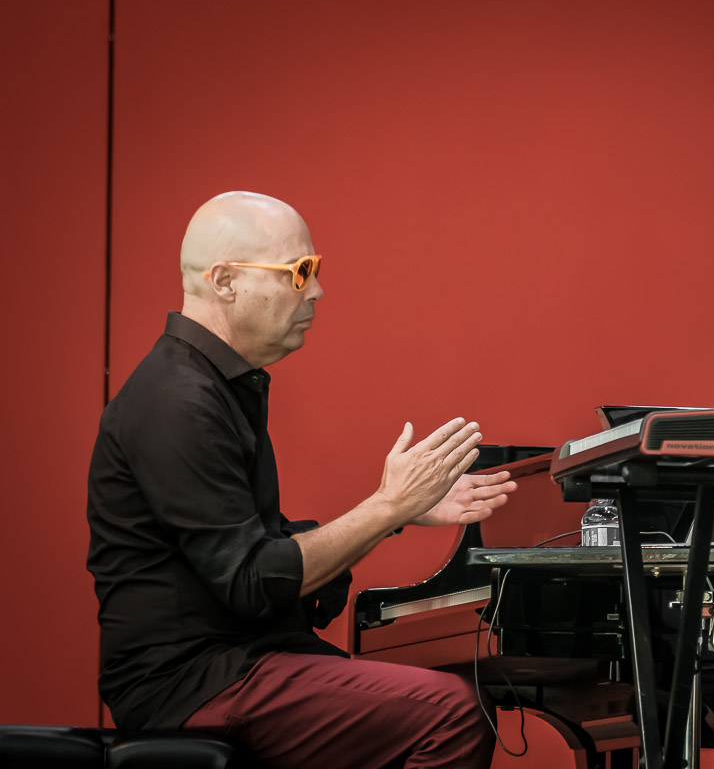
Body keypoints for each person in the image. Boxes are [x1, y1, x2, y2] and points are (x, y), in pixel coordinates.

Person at [86, 191, 517, 768]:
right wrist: (386, 508)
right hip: (194, 682)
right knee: (452, 713)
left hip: (240, 663)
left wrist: (399, 511)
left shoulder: (213, 385)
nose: (316, 291)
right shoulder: (178, 401)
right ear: (225, 281)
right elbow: (250, 578)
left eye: (316, 271)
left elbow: (257, 550)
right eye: (299, 272)